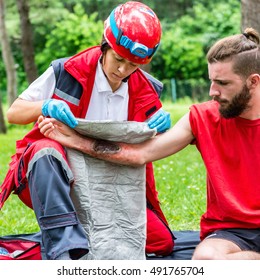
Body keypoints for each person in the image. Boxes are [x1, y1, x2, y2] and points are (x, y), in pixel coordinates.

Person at [38, 27, 260, 260]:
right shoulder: (202, 117)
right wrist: (76, 140)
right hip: (231, 233)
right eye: (211, 81)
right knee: (206, 260)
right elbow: (140, 154)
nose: (212, 91)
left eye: (222, 83)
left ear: (253, 82)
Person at [0, 1, 174, 260]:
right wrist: (45, 105)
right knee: (44, 149)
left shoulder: (147, 90)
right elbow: (14, 113)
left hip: (110, 186)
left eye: (133, 66)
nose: (123, 70)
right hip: (58, 179)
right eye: (119, 59)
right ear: (105, 44)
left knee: (161, 242)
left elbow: (145, 150)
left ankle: (69, 239)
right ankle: (64, 250)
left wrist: (161, 131)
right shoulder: (67, 70)